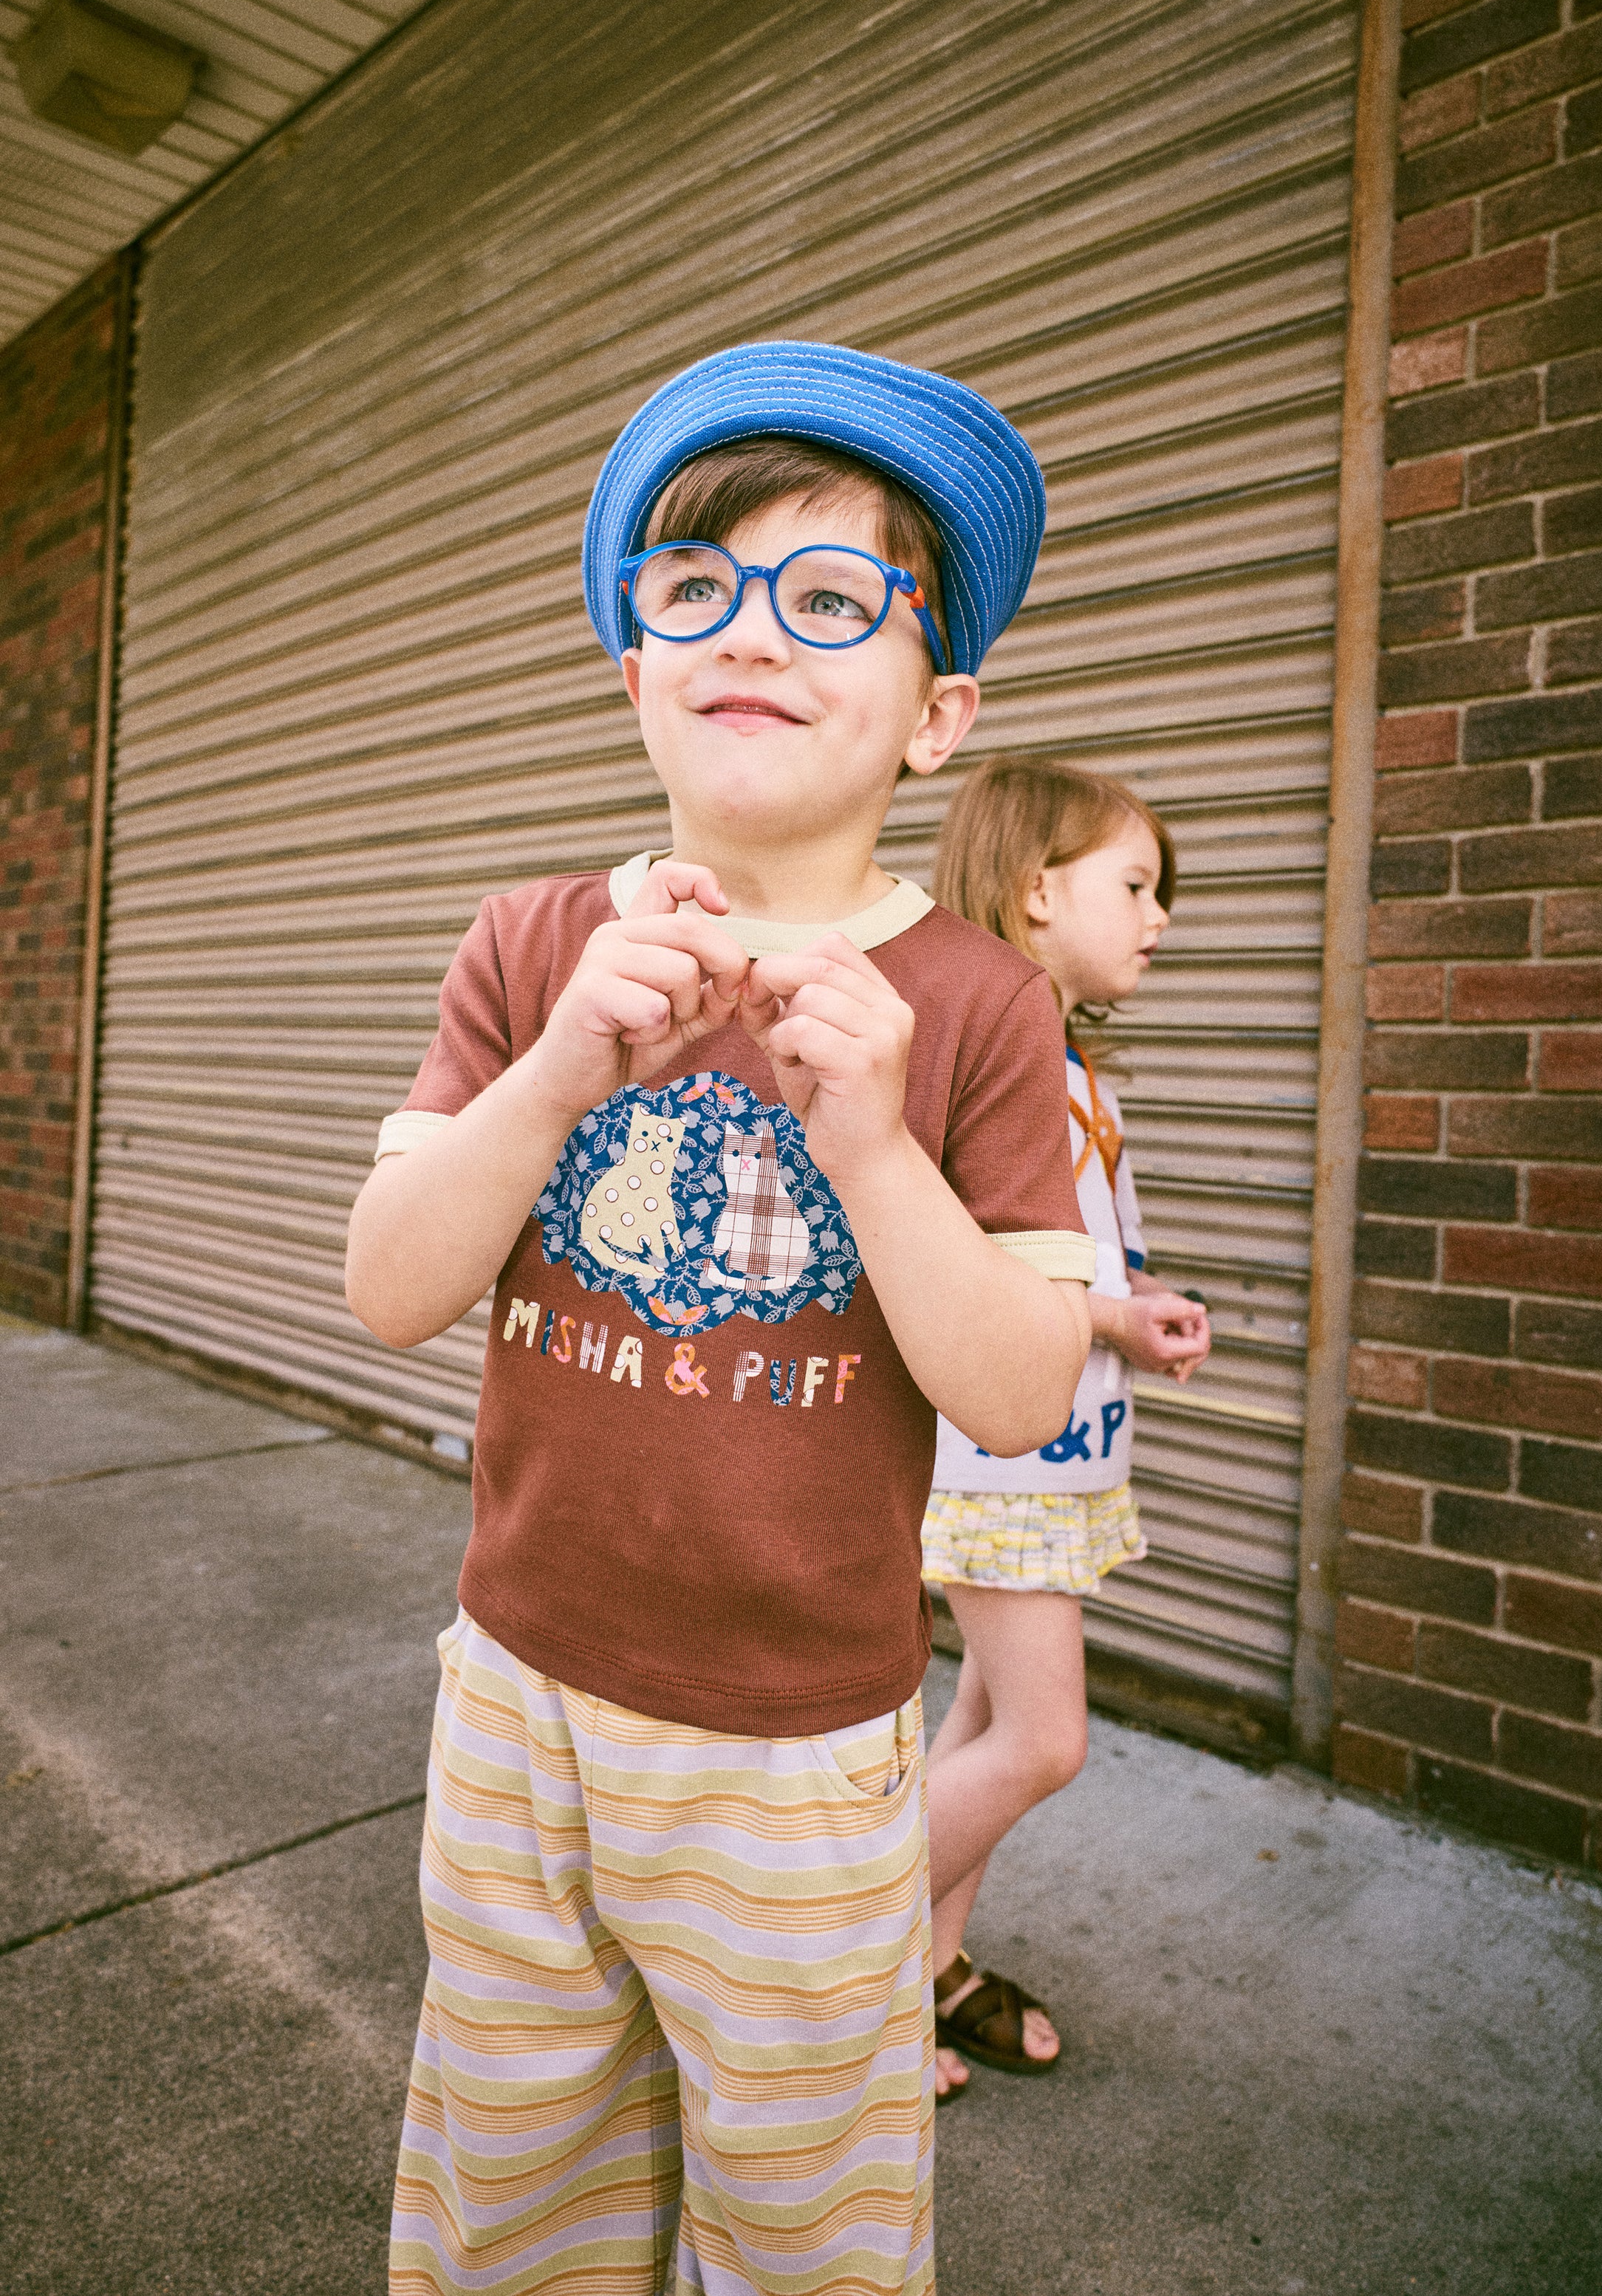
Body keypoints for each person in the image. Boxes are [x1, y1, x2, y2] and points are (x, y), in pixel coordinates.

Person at [345, 343, 1098, 2296]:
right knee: (514, 2176)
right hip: (516, 1700)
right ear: (634, 671)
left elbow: (1022, 1387)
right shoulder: (531, 943)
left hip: (799, 1749)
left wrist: (875, 1146)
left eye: (829, 596)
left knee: (802, 2215)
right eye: (694, 587)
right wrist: (549, 1080)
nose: (749, 629)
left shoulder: (983, 1007)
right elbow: (390, 1283)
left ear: (937, 714)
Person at [920, 756, 1212, 2101]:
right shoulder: (989, 1050)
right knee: (1045, 1741)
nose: (1161, 917)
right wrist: (1111, 1319)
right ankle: (822, 1962)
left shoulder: (1079, 1065)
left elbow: (1093, 1256)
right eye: (1136, 886)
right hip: (996, 1454)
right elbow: (974, 1264)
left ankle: (926, 1966)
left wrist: (1142, 1305)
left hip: (1063, 1449)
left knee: (985, 1718)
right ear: (1037, 891)